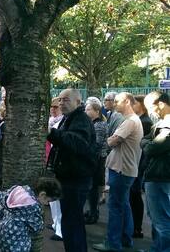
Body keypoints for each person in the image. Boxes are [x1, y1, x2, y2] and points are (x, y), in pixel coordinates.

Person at [46, 89, 96, 252]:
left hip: (76, 179)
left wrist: (52, 133)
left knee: (72, 222)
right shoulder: (69, 118)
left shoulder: (81, 119)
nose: (61, 103)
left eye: (66, 100)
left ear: (78, 102)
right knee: (70, 222)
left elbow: (77, 143)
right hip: (69, 177)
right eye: (60, 100)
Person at [93, 92, 143, 252]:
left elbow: (112, 141)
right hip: (125, 170)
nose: (114, 104)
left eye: (117, 101)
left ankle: (113, 244)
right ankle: (125, 240)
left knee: (115, 208)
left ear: (127, 101)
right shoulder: (133, 121)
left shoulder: (130, 122)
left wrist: (110, 139)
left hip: (121, 170)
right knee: (123, 205)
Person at [0, 177, 62, 252]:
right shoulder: (33, 207)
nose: (47, 204)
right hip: (17, 240)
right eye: (48, 201)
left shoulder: (19, 190)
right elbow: (36, 228)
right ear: (42, 195)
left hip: (2, 232)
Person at [141, 91, 170, 252]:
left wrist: (146, 143)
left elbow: (152, 147)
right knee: (158, 218)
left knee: (161, 221)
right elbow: (147, 140)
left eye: (150, 107)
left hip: (160, 175)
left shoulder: (166, 124)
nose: (150, 112)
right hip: (159, 175)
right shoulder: (161, 122)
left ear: (161, 104)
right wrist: (147, 142)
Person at [130, 95, 153, 238]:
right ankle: (135, 226)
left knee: (135, 195)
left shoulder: (145, 122)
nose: (132, 105)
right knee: (133, 195)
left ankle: (137, 227)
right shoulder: (140, 120)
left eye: (135, 103)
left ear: (142, 105)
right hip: (136, 162)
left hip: (139, 163)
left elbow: (143, 144)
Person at [84, 97, 108, 225]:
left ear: (96, 111)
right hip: (94, 160)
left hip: (97, 161)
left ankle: (94, 213)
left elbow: (96, 145)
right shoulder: (93, 124)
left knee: (93, 189)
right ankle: (92, 211)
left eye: (88, 109)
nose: (86, 111)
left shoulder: (99, 125)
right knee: (91, 188)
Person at [45, 97, 64, 242]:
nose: (53, 109)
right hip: (50, 161)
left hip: (57, 163)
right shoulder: (52, 121)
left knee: (57, 198)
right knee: (52, 198)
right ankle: (55, 223)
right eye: (51, 106)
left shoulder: (61, 123)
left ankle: (60, 229)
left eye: (56, 107)